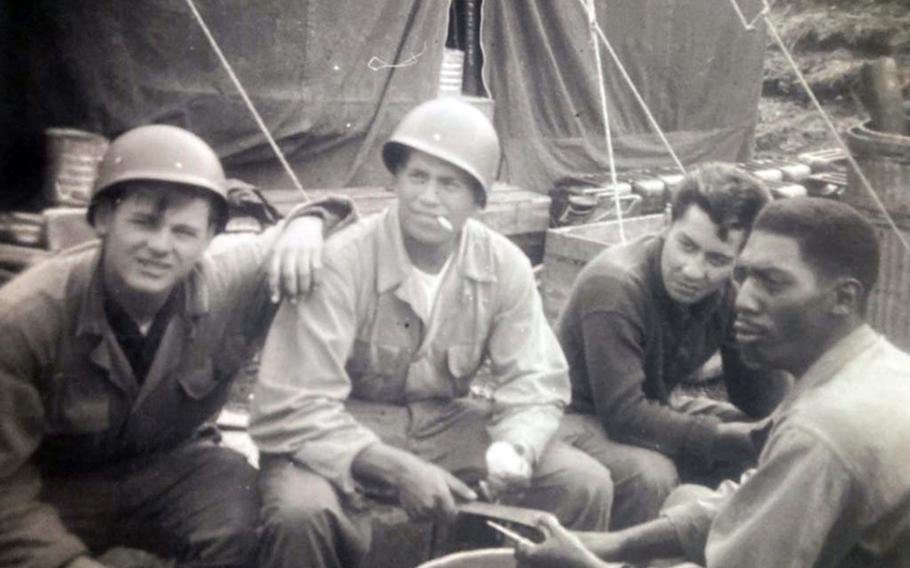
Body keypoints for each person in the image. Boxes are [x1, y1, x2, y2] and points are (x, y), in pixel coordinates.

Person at [249, 97, 614, 568]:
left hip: (444, 422)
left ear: (478, 200)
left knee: (582, 483)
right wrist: (397, 468)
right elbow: (294, 404)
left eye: (450, 184)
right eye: (417, 176)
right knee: (300, 513)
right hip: (340, 423)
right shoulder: (342, 261)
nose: (428, 197)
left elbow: (535, 378)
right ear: (396, 181)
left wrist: (516, 445)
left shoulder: (504, 265)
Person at [0, 124, 354, 568]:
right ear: (104, 219)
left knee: (246, 504)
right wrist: (66, 563)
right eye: (144, 222)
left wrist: (308, 222)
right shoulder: (25, 318)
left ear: (209, 239)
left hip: (170, 471)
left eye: (184, 232)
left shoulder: (226, 282)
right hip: (55, 489)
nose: (160, 246)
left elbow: (351, 229)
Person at [516, 197, 910, 567]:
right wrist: (613, 544)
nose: (743, 300)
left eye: (772, 283)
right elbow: (752, 498)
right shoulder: (878, 366)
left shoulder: (819, 431)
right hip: (580, 419)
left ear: (843, 299)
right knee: (685, 496)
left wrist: (594, 564)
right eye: (746, 277)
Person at [554, 163, 791, 528]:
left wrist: (756, 318)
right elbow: (624, 416)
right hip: (567, 416)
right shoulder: (616, 285)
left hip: (652, 404)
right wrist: (730, 438)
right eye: (687, 246)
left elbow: (759, 402)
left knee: (775, 444)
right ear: (667, 221)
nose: (695, 271)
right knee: (652, 474)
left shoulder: (726, 294)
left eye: (717, 259)